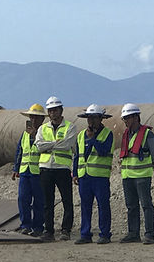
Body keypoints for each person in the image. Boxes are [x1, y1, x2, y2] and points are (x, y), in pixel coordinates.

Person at [35, 95, 78, 241]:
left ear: (61, 110)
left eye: (55, 110)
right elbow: (39, 146)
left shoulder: (70, 127)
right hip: (45, 168)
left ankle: (66, 230)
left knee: (67, 200)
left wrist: (48, 145)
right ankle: (49, 231)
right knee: (47, 202)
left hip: (62, 168)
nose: (52, 113)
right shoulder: (42, 128)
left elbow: (67, 144)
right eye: (50, 110)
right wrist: (56, 143)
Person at [73, 104, 113, 244]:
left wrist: (93, 139)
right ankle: (85, 234)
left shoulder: (107, 134)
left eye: (94, 118)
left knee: (103, 205)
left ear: (101, 119)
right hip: (84, 176)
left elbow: (104, 151)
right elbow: (77, 156)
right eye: (89, 118)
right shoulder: (81, 135)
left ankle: (105, 234)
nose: (91, 121)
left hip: (100, 177)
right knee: (85, 206)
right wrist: (75, 173)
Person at [119, 103, 154, 244]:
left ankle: (149, 234)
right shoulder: (126, 135)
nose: (125, 121)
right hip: (127, 176)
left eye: (127, 118)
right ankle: (133, 233)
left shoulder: (147, 134)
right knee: (131, 206)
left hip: (142, 176)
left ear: (136, 117)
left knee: (146, 205)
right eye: (124, 118)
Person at [11, 103, 46, 236]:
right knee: (23, 199)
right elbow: (20, 151)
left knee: (39, 201)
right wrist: (16, 168)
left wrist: (36, 135)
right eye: (32, 117)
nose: (33, 120)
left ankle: (38, 227)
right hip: (25, 171)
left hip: (39, 172)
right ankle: (25, 225)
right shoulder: (25, 134)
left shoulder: (45, 132)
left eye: (36, 117)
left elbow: (46, 148)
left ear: (42, 119)